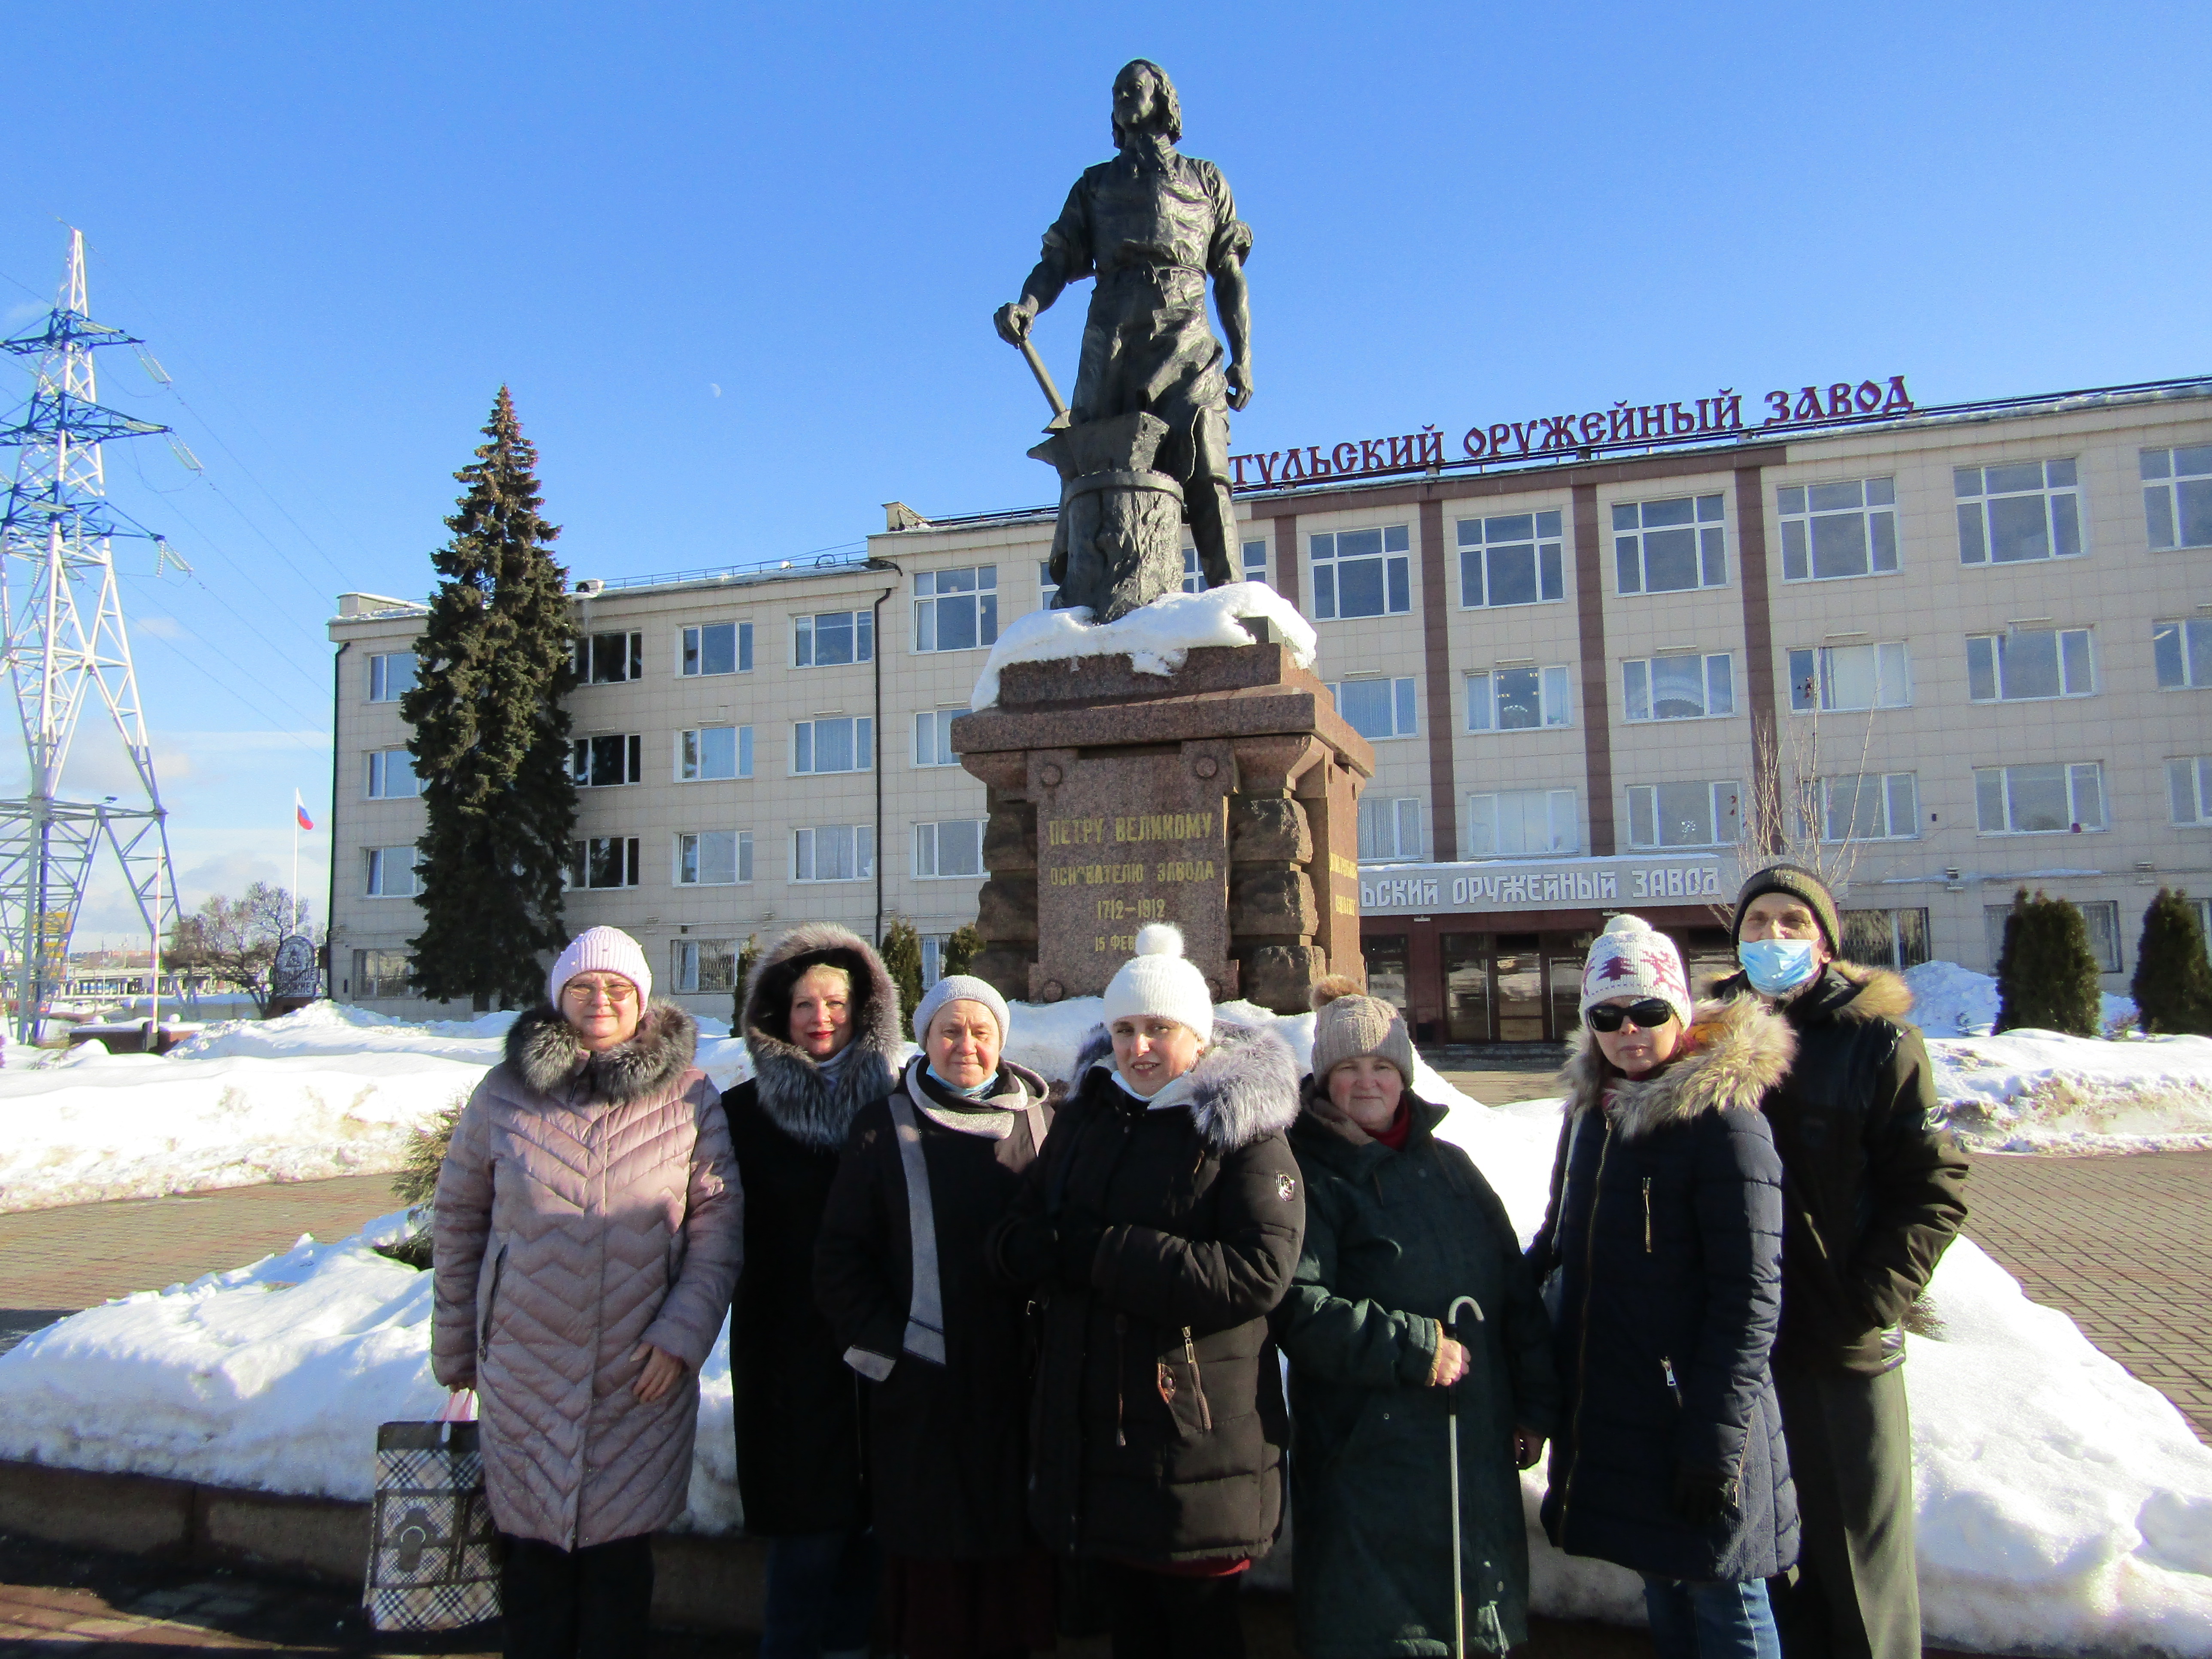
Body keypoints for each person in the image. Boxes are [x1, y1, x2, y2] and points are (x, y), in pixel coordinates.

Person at [988, 924, 1303, 1659]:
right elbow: (1023, 1223)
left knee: (1195, 1630)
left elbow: (1256, 1271)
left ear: (1196, 1033)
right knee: (1131, 1630)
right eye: (1125, 1028)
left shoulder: (1243, 1131)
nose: (1139, 1048)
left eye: (1159, 1029)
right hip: (1100, 1440)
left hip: (1195, 1442)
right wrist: (1023, 1249)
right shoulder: (1088, 1117)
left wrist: (1103, 1252)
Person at [432, 927, 741, 1659]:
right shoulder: (504, 1091)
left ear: (641, 1000)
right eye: (582, 986)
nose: (599, 1000)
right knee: (533, 1575)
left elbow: (718, 1224)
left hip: (637, 1375)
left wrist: (681, 1336)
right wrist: (457, 1349)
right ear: (558, 997)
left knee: (617, 1579)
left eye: (617, 988)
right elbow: (458, 1215)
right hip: (525, 1367)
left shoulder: (690, 1094)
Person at [1713, 864, 1969, 1659]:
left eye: (1792, 921)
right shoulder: (1714, 1040)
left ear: (1824, 940)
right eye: (1758, 922)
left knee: (1859, 1570)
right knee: (1770, 1564)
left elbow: (1933, 1187)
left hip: (1841, 1346)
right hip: (1744, 1349)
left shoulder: (1878, 1042)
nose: (1774, 937)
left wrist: (1868, 1299)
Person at [1528, 915, 1800, 1659]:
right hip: (1626, 1407)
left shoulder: (1723, 1122)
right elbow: (1559, 1241)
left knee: (1726, 1597)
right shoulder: (1594, 1112)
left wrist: (1714, 1441)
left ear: (1680, 1009)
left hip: (1702, 1414)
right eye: (1606, 1015)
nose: (1628, 1030)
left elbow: (1748, 1298)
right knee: (1664, 1586)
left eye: (1648, 1010)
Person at [1276, 978, 1560, 1658]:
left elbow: (1512, 1291)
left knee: (1471, 1627)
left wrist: (1535, 1405)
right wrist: (1412, 1345)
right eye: (1348, 1068)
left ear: (1404, 1075)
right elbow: (1299, 1308)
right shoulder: (1307, 1176)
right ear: (1325, 1079)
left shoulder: (1454, 1169)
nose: (1367, 1082)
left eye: (1381, 1066)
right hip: (1366, 1459)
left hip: (1472, 1450)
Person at [814, 975, 1057, 1659]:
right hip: (925, 1403)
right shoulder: (883, 1128)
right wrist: (891, 1356)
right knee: (934, 1601)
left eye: (981, 1032)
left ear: (1002, 1042)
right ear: (924, 1039)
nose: (967, 1047)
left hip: (1021, 1397)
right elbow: (840, 1259)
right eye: (950, 1031)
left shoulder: (1043, 1125)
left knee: (1016, 1593)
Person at [994, 58, 1253, 592]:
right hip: (1112, 336)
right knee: (1092, 470)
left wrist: (1244, 355)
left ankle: (1231, 601)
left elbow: (1227, 275)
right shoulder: (1094, 186)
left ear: (1162, 99)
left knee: (1206, 463)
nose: (1120, 97)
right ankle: (1086, 593)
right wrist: (1028, 305)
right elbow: (1058, 261)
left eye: (1131, 88)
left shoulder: (1206, 179)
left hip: (1187, 333)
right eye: (1114, 91)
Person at [723, 924, 905, 1659]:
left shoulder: (896, 1105)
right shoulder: (739, 1113)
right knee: (806, 1553)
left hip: (881, 1360)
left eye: (835, 1000)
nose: (821, 1016)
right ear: (776, 1015)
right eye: (804, 1003)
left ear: (866, 1008)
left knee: (871, 1549)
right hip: (787, 1360)